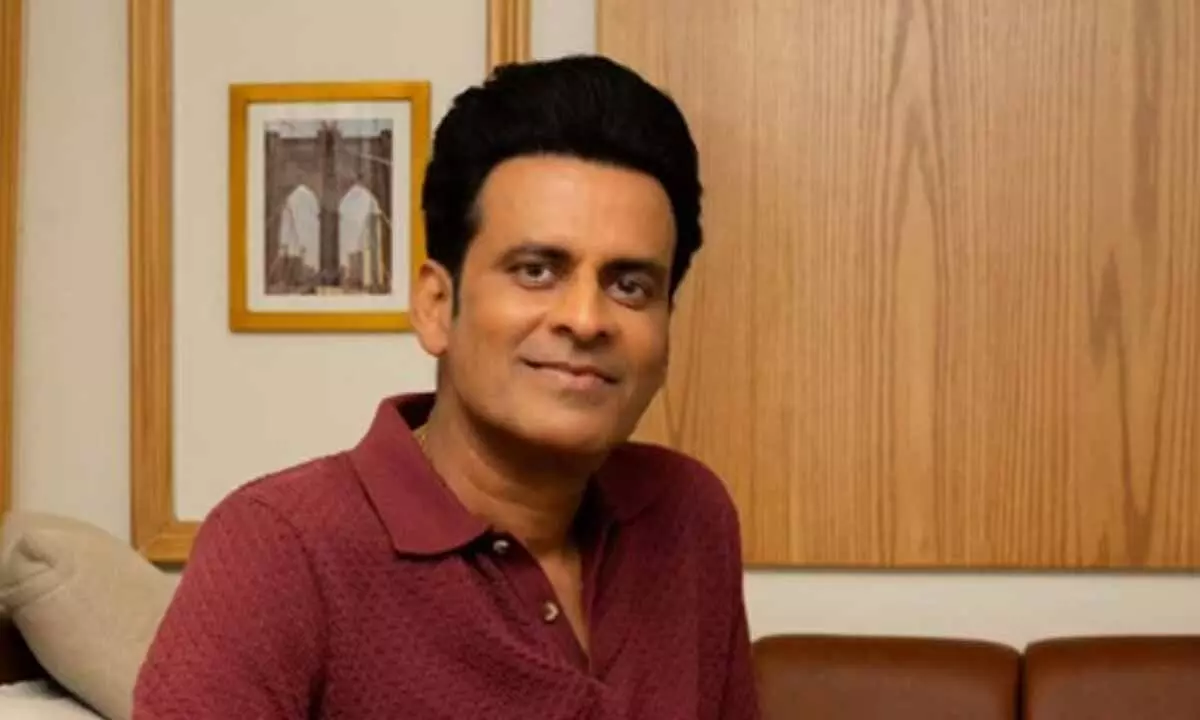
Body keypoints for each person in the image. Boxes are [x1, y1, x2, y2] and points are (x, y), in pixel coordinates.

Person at [133, 54, 758, 719]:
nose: (585, 319)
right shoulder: (280, 549)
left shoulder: (688, 515)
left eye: (630, 285)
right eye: (537, 270)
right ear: (436, 305)